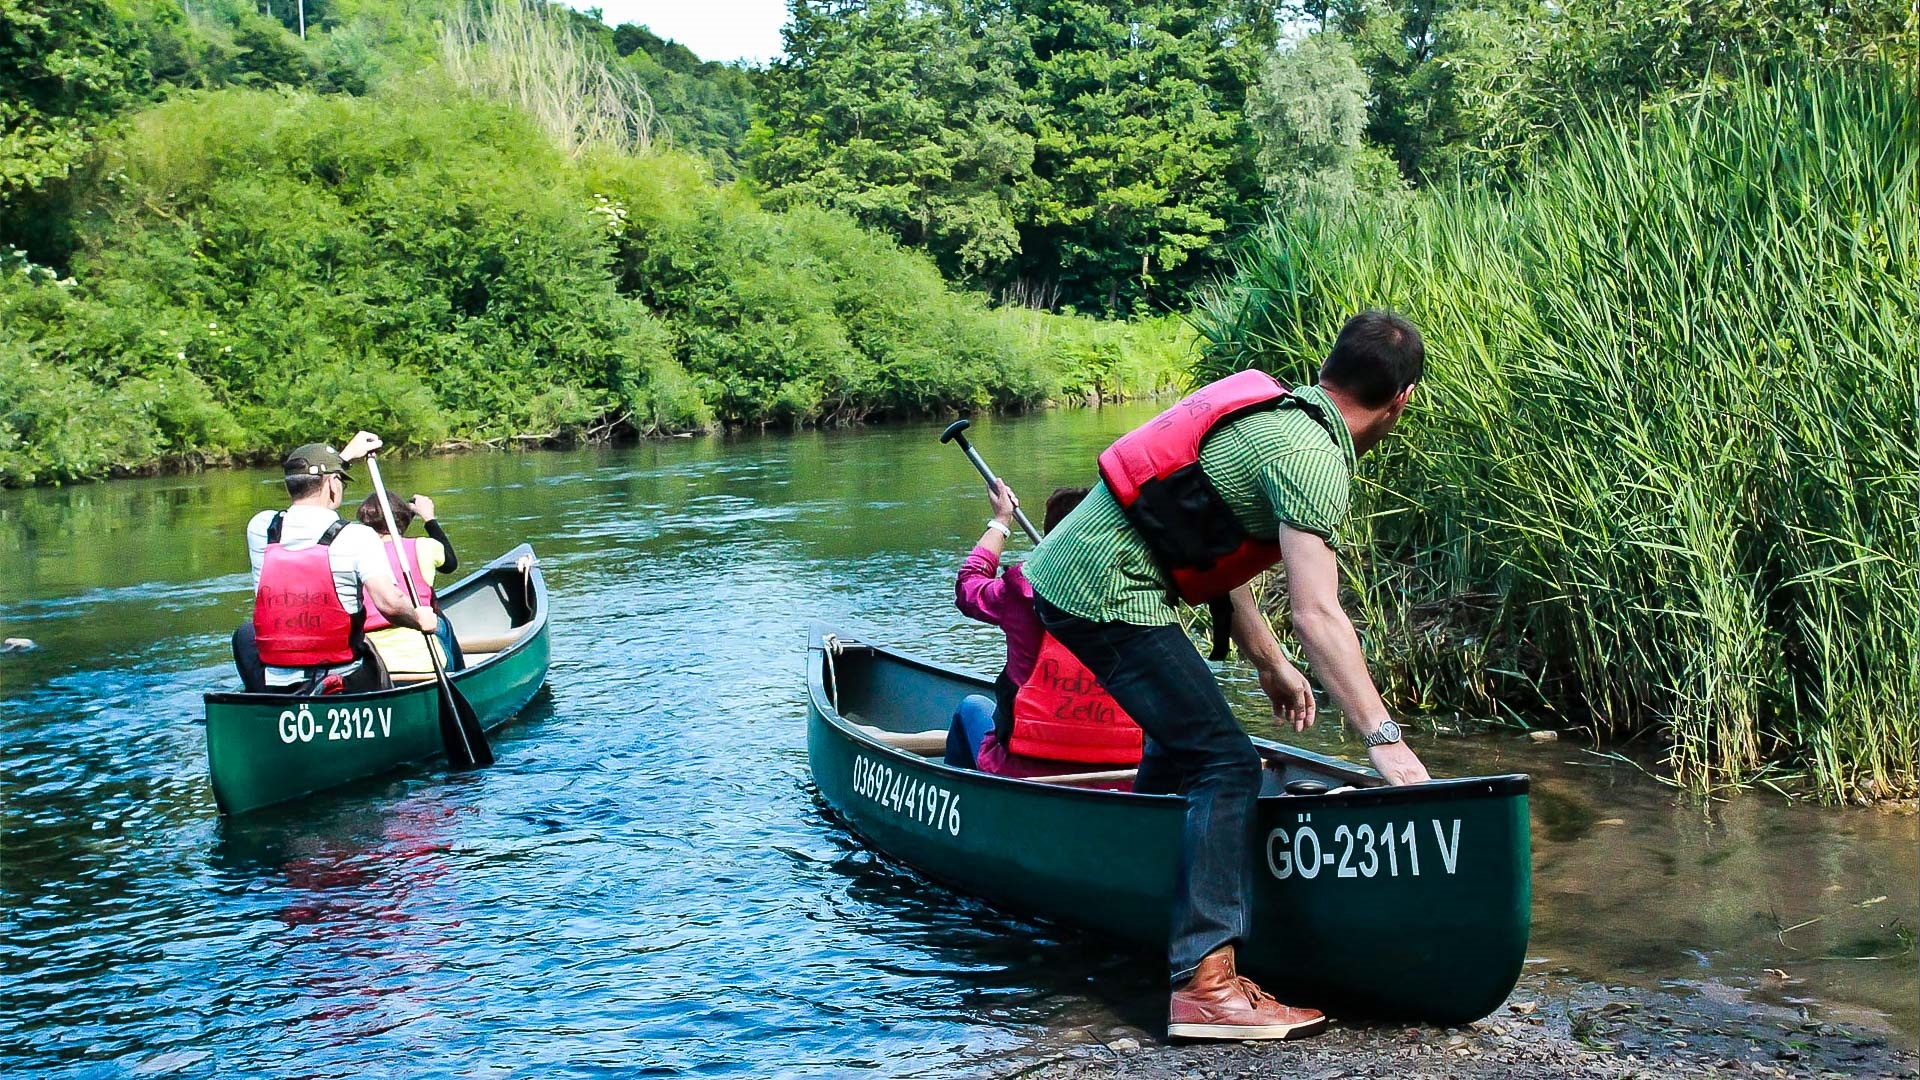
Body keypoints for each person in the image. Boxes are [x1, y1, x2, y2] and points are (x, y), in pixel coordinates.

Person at [1021, 310, 1435, 1042]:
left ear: (1326, 369)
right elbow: (1320, 613)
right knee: (1226, 761)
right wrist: (1385, 740)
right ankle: (1206, 986)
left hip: (1078, 574)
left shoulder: (1276, 417)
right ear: (1401, 399)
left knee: (1183, 742)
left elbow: (1206, 542)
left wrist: (1269, 662)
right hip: (1102, 590)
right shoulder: (1316, 458)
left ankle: (1142, 898)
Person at [947, 484, 1143, 779]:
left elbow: (968, 586)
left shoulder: (1020, 593)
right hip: (1125, 777)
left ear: (1052, 543)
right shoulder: (1141, 595)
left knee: (972, 707)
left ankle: (966, 799)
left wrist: (1001, 520)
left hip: (1021, 773)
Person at [234, 432, 437, 693]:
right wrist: (420, 619)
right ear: (333, 485)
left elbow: (303, 498)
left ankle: (264, 704)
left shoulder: (262, 527)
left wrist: (339, 460)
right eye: (340, 481)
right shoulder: (356, 536)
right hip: (342, 679)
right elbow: (390, 604)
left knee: (245, 634)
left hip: (276, 678)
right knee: (371, 648)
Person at [356, 490, 464, 676]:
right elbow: (450, 565)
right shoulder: (425, 546)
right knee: (442, 622)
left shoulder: (354, 555)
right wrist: (429, 519)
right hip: (424, 650)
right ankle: (459, 673)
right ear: (404, 520)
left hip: (371, 660)